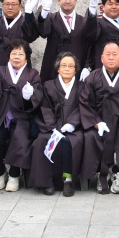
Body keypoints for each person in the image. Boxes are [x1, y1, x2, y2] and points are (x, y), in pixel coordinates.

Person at [79, 41, 119, 194]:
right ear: (101, 58)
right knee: (90, 138)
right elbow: (85, 102)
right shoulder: (93, 77)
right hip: (100, 124)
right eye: (107, 54)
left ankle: (118, 173)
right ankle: (100, 174)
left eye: (114, 54)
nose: (111, 57)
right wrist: (96, 122)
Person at [0, 40, 44, 192]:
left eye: (21, 54)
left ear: (26, 58)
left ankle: (14, 174)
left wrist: (29, 97)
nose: (16, 57)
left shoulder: (33, 74)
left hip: (21, 117)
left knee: (19, 138)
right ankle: (0, 172)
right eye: (13, 53)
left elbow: (37, 96)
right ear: (8, 56)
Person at [32, 52, 84, 196]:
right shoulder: (48, 85)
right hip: (52, 125)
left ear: (75, 70)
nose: (67, 68)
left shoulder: (82, 86)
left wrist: (72, 124)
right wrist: (53, 127)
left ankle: (68, 180)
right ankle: (47, 182)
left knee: (71, 141)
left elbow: (84, 108)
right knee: (42, 141)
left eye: (71, 66)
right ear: (58, 69)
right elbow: (45, 107)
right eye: (64, 65)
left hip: (74, 127)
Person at [38, 0, 95, 82]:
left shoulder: (83, 21)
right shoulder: (51, 18)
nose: (68, 1)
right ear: (58, 0)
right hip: (53, 69)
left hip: (77, 68)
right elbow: (43, 32)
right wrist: (44, 12)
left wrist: (87, 67)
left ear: (76, 1)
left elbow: (90, 46)